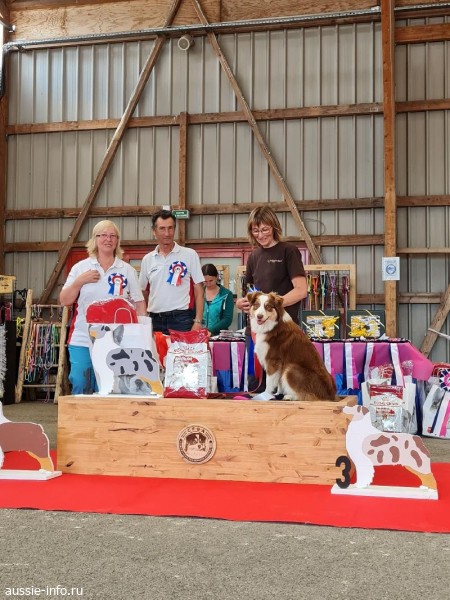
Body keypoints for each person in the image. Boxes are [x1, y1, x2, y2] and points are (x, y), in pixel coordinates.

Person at [60, 220, 146, 394]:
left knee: (109, 387)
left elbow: (139, 303)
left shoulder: (127, 270)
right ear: (95, 239)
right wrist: (79, 282)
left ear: (117, 240)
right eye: (103, 235)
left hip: (117, 340)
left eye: (113, 236)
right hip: (82, 337)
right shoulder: (80, 268)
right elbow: (64, 300)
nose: (108, 239)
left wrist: (140, 334)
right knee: (80, 381)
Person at [236, 206, 307, 323]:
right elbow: (252, 292)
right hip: (258, 327)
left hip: (282, 325)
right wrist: (242, 303)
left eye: (265, 230)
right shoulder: (253, 256)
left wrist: (272, 305)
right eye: (255, 231)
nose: (260, 235)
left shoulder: (289, 251)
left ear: (274, 227)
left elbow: (301, 290)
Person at [139, 209, 204, 335]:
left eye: (170, 228)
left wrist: (198, 321)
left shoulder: (190, 254)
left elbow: (199, 291)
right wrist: (144, 319)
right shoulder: (147, 259)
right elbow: (143, 293)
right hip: (154, 320)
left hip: (182, 320)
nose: (167, 233)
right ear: (154, 231)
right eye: (162, 229)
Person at [201, 263, 234, 336]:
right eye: (205, 281)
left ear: (217, 276)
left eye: (211, 280)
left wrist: (210, 330)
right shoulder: (199, 294)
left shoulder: (226, 294)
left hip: (219, 336)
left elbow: (227, 319)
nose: (208, 284)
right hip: (200, 335)